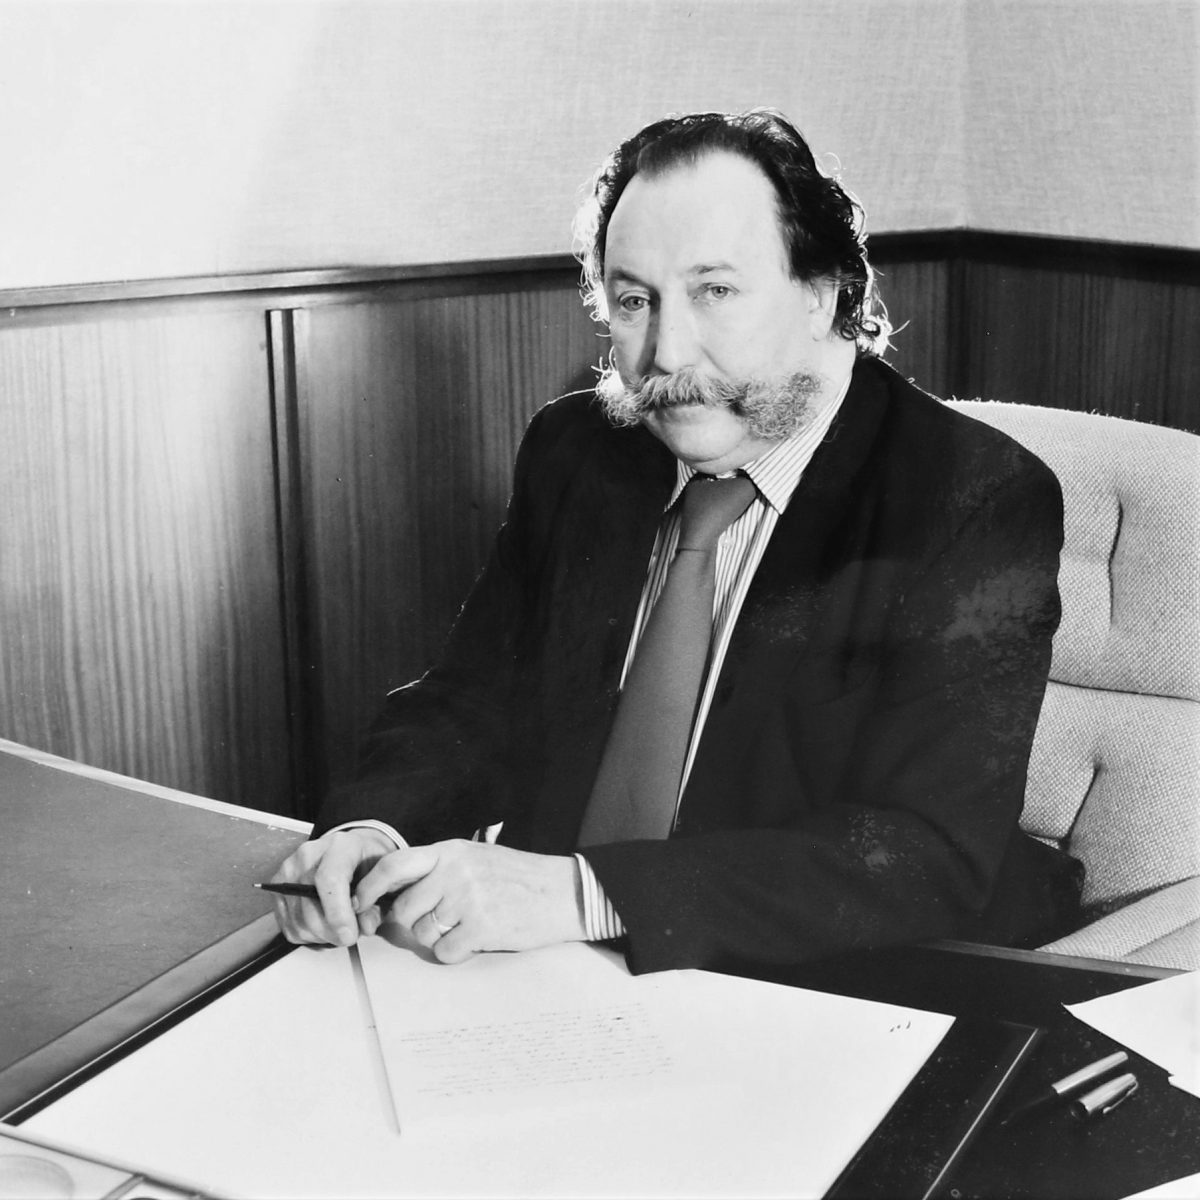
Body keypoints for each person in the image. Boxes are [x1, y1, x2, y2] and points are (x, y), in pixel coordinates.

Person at [270, 108, 1083, 975]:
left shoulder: (971, 498)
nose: (666, 350)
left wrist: (582, 894)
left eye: (715, 291)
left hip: (813, 984)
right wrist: (372, 829)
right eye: (633, 300)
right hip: (546, 976)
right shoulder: (577, 450)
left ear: (823, 294)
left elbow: (925, 851)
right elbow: (472, 699)